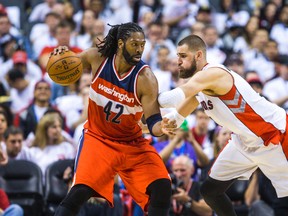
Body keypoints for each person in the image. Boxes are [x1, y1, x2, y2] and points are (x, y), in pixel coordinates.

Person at [158, 34, 288, 216]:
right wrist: (166, 121)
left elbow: (172, 97)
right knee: (210, 191)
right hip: (244, 141)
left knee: (284, 205)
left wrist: (142, 96)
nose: (177, 61)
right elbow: (178, 114)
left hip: (275, 136)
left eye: (182, 56)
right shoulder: (199, 88)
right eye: (177, 56)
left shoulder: (214, 73)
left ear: (198, 56)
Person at [52, 22, 172, 216]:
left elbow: (153, 122)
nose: (140, 49)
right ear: (121, 43)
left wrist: (162, 127)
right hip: (98, 138)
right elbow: (68, 63)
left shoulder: (146, 79)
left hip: (131, 142)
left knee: (162, 187)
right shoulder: (97, 57)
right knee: (80, 192)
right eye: (135, 44)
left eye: (143, 44)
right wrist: (61, 55)